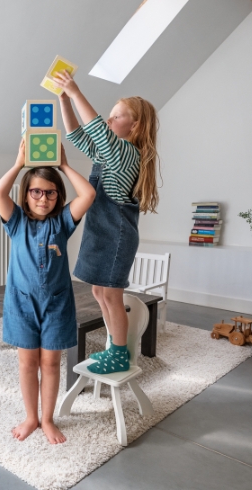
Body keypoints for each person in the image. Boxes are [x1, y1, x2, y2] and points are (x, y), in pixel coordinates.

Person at [52, 70, 159, 375]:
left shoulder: (126, 153)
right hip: (101, 232)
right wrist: (64, 100)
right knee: (99, 292)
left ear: (135, 125)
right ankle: (114, 347)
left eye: (116, 116)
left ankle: (120, 354)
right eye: (109, 115)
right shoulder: (108, 154)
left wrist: (76, 92)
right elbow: (77, 135)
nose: (109, 120)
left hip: (116, 236)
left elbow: (96, 129)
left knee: (111, 294)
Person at [0, 139, 95, 444]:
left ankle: (47, 419)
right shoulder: (16, 222)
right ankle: (31, 417)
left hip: (57, 305)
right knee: (28, 364)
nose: (43, 198)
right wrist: (18, 164)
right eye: (36, 191)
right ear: (26, 194)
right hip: (21, 305)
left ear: (58, 195)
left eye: (50, 192)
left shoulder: (63, 222)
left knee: (50, 364)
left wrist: (64, 165)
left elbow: (88, 194)